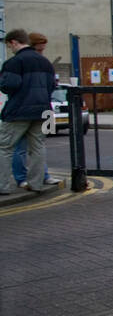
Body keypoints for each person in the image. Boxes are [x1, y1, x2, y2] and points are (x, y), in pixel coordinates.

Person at [0, 28, 57, 195]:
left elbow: (9, 86)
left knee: (5, 147)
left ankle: (3, 186)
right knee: (38, 147)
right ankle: (36, 183)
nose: (11, 49)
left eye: (10, 46)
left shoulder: (14, 62)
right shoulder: (45, 62)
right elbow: (51, 86)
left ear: (14, 42)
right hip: (43, 110)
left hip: (19, 111)